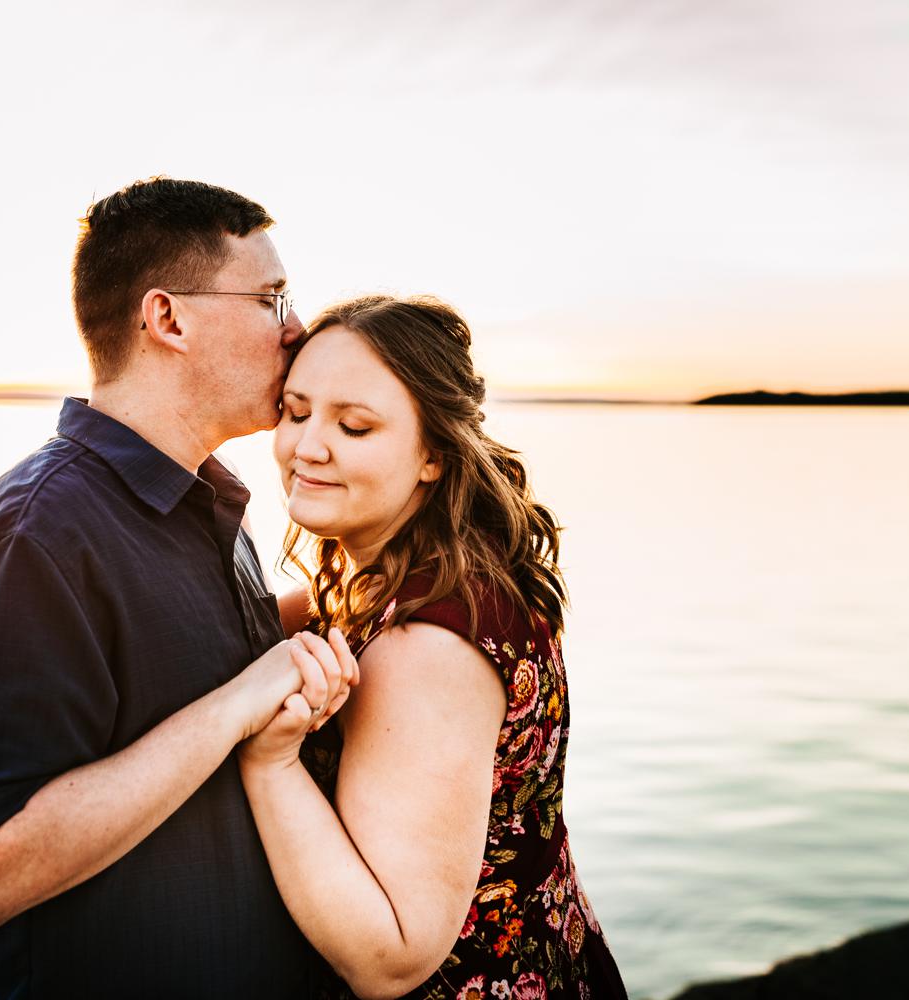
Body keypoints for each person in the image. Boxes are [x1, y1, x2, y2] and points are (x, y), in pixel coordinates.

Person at [0, 177, 357, 999]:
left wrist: (386, 594)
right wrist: (237, 709)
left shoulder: (201, 498)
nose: (298, 330)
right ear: (168, 319)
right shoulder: (31, 540)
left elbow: (201, 659)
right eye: (270, 298)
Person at [241, 295, 628, 999]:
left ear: (433, 457)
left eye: (354, 426)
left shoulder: (426, 650)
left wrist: (269, 763)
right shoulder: (425, 570)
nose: (308, 446)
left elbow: (391, 957)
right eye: (297, 413)